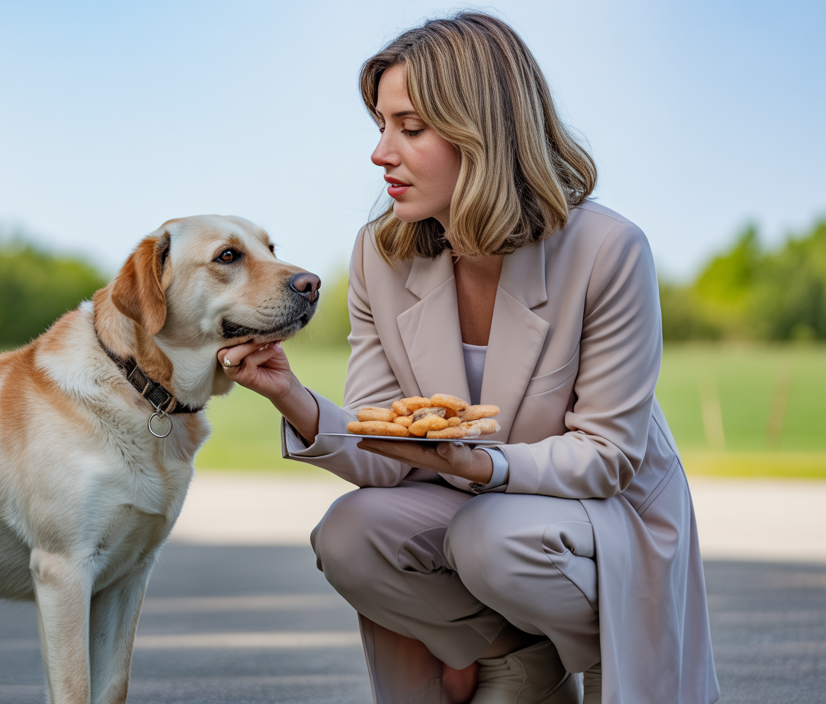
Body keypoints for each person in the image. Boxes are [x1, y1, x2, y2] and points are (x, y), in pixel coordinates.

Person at [217, 13, 719, 704]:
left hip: (599, 511)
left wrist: (481, 464)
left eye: (410, 128)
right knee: (349, 535)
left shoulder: (608, 250)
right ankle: (513, 656)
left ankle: (606, 653)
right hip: (470, 507)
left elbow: (606, 455)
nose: (380, 153)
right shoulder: (380, 253)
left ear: (482, 132)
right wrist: (290, 397)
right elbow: (385, 446)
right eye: (380, 125)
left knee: (493, 540)